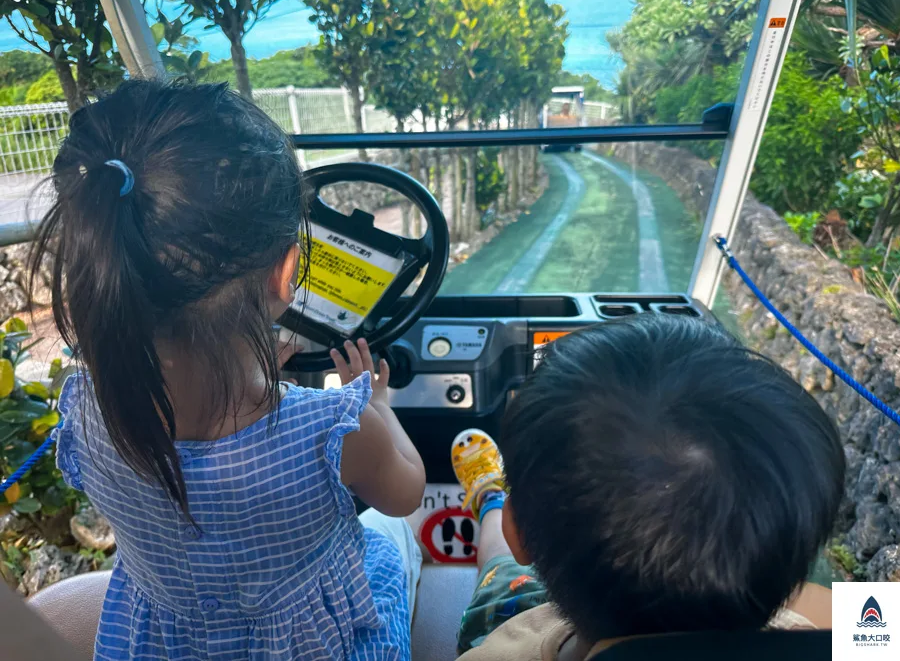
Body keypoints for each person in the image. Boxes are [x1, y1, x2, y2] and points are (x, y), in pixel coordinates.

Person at [29, 80, 425, 660]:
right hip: (307, 646)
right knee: (390, 547)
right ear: (286, 271)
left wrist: (258, 382)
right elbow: (405, 493)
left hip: (164, 641)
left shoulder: (86, 409)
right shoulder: (337, 430)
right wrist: (377, 405)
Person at [449, 314, 844, 660]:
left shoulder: (497, 653)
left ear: (520, 532)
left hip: (532, 607)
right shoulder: (813, 631)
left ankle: (490, 498)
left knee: (501, 576)